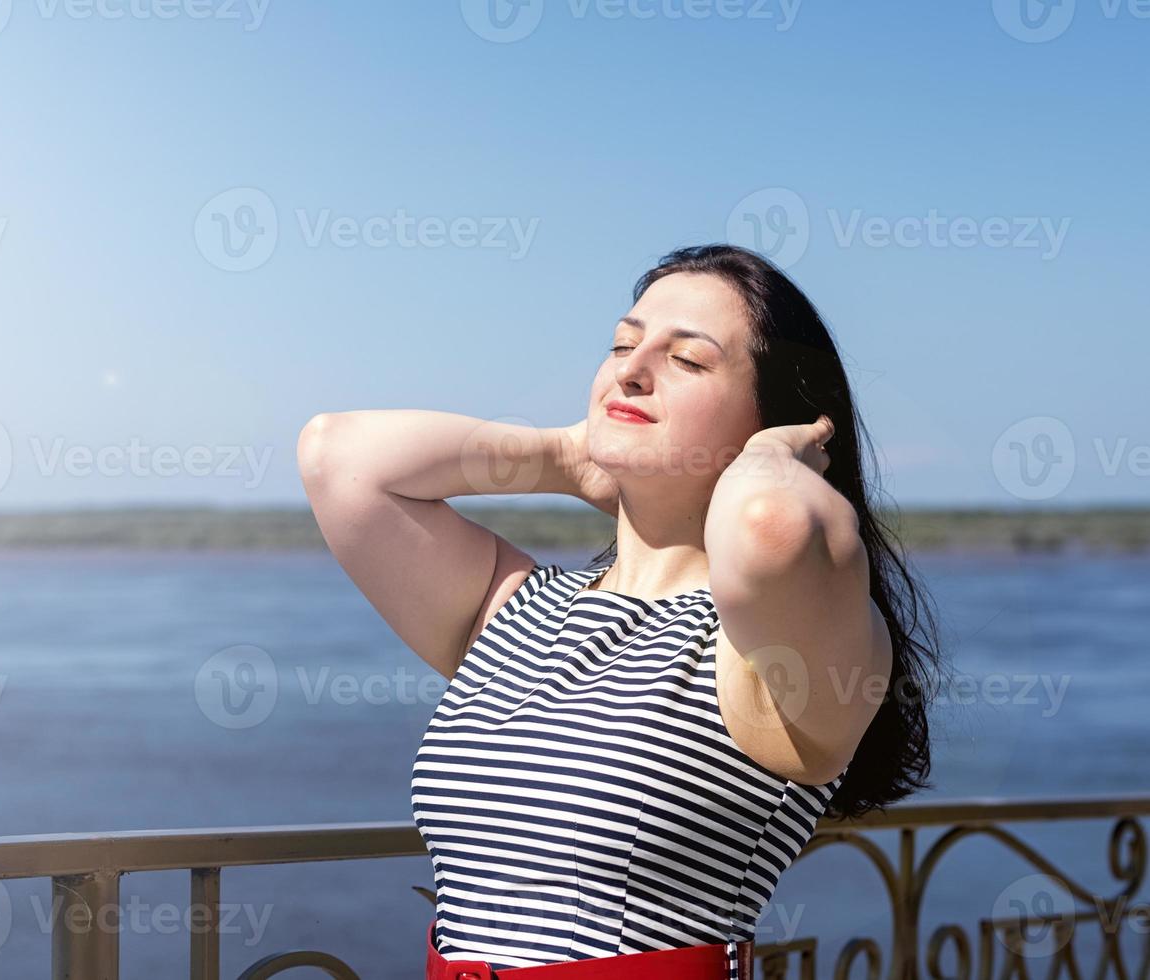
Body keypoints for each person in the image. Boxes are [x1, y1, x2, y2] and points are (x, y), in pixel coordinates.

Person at [296, 243, 943, 979]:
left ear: (772, 419)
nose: (632, 371)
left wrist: (772, 461)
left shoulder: (755, 643)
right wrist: (569, 457)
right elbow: (338, 456)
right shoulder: (520, 612)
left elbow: (771, 527)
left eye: (688, 361)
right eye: (623, 344)